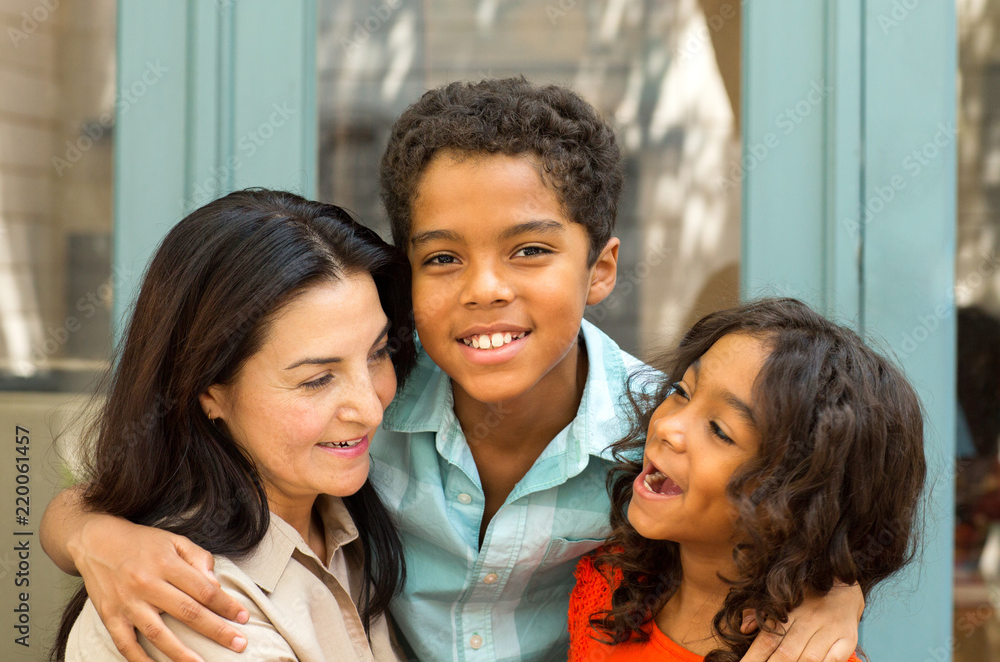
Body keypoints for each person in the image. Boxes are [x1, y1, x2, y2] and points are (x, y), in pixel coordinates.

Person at [41, 78, 865, 662]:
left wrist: (838, 585)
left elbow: (789, 505)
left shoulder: (663, 434)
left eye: (531, 250)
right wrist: (92, 533)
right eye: (442, 258)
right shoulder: (365, 415)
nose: (485, 290)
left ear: (602, 269)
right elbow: (153, 468)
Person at [50, 189, 416, 661]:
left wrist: (81, 527)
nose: (370, 408)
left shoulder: (339, 517)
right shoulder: (195, 599)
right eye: (317, 379)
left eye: (378, 352)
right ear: (208, 389)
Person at [568, 298, 926, 661]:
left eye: (720, 431)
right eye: (681, 392)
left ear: (796, 503)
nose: (665, 426)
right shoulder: (610, 577)